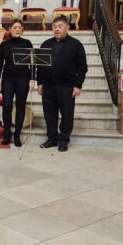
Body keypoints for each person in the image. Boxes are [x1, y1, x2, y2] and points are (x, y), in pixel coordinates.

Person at [37, 15, 87, 152]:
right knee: (49, 114)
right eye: (54, 27)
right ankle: (52, 138)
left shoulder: (76, 45)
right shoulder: (46, 44)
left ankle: (64, 140)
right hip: (48, 86)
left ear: (67, 28)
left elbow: (82, 67)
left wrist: (78, 85)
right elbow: (39, 66)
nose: (56, 29)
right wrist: (40, 82)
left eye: (60, 26)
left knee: (67, 114)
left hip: (67, 86)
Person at [0, 18, 34, 147]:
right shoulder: (4, 45)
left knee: (20, 106)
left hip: (23, 78)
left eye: (19, 27)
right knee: (6, 106)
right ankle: (7, 133)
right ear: (10, 30)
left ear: (22, 30)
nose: (17, 29)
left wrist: (32, 79)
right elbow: (0, 64)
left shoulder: (27, 43)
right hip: (7, 79)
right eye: (15, 27)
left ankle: (17, 134)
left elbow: (32, 64)